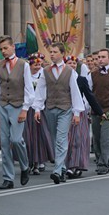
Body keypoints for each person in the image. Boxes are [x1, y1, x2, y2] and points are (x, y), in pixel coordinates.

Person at [32, 43, 83, 184]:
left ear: (62, 54)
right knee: (55, 139)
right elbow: (41, 90)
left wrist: (77, 112)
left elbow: (75, 91)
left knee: (61, 138)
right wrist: (37, 108)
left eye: (55, 52)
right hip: (50, 108)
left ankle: (56, 170)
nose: (52, 54)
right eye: (51, 52)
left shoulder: (69, 71)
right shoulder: (45, 71)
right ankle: (62, 170)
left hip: (65, 108)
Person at [0, 35, 34, 189]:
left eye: (6, 48)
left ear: (13, 47)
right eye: (1, 49)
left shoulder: (23, 65)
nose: (3, 51)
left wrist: (25, 109)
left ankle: (25, 166)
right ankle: (8, 178)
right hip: (3, 105)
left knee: (17, 140)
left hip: (18, 105)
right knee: (4, 143)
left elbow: (29, 89)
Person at [24, 53, 53, 175]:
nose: (37, 67)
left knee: (40, 135)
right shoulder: (26, 75)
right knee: (28, 136)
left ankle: (40, 160)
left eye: (39, 64)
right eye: (35, 64)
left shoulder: (43, 74)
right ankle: (29, 161)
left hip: (40, 108)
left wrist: (39, 107)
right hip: (27, 108)